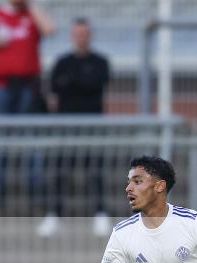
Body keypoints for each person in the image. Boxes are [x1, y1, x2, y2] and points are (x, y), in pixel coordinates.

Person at [0, 0, 55, 207]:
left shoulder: (31, 15)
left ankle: (36, 191)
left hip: (28, 86)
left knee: (32, 138)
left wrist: (31, 6)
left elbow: (50, 29)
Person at [37, 17, 111, 238]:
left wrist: (72, 83)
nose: (81, 38)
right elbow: (54, 86)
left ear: (90, 35)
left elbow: (94, 85)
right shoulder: (63, 62)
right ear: (72, 36)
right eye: (77, 34)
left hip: (92, 125)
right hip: (66, 126)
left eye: (84, 34)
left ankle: (99, 213)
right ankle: (55, 215)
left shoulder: (100, 62)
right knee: (60, 170)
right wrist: (77, 83)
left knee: (95, 170)